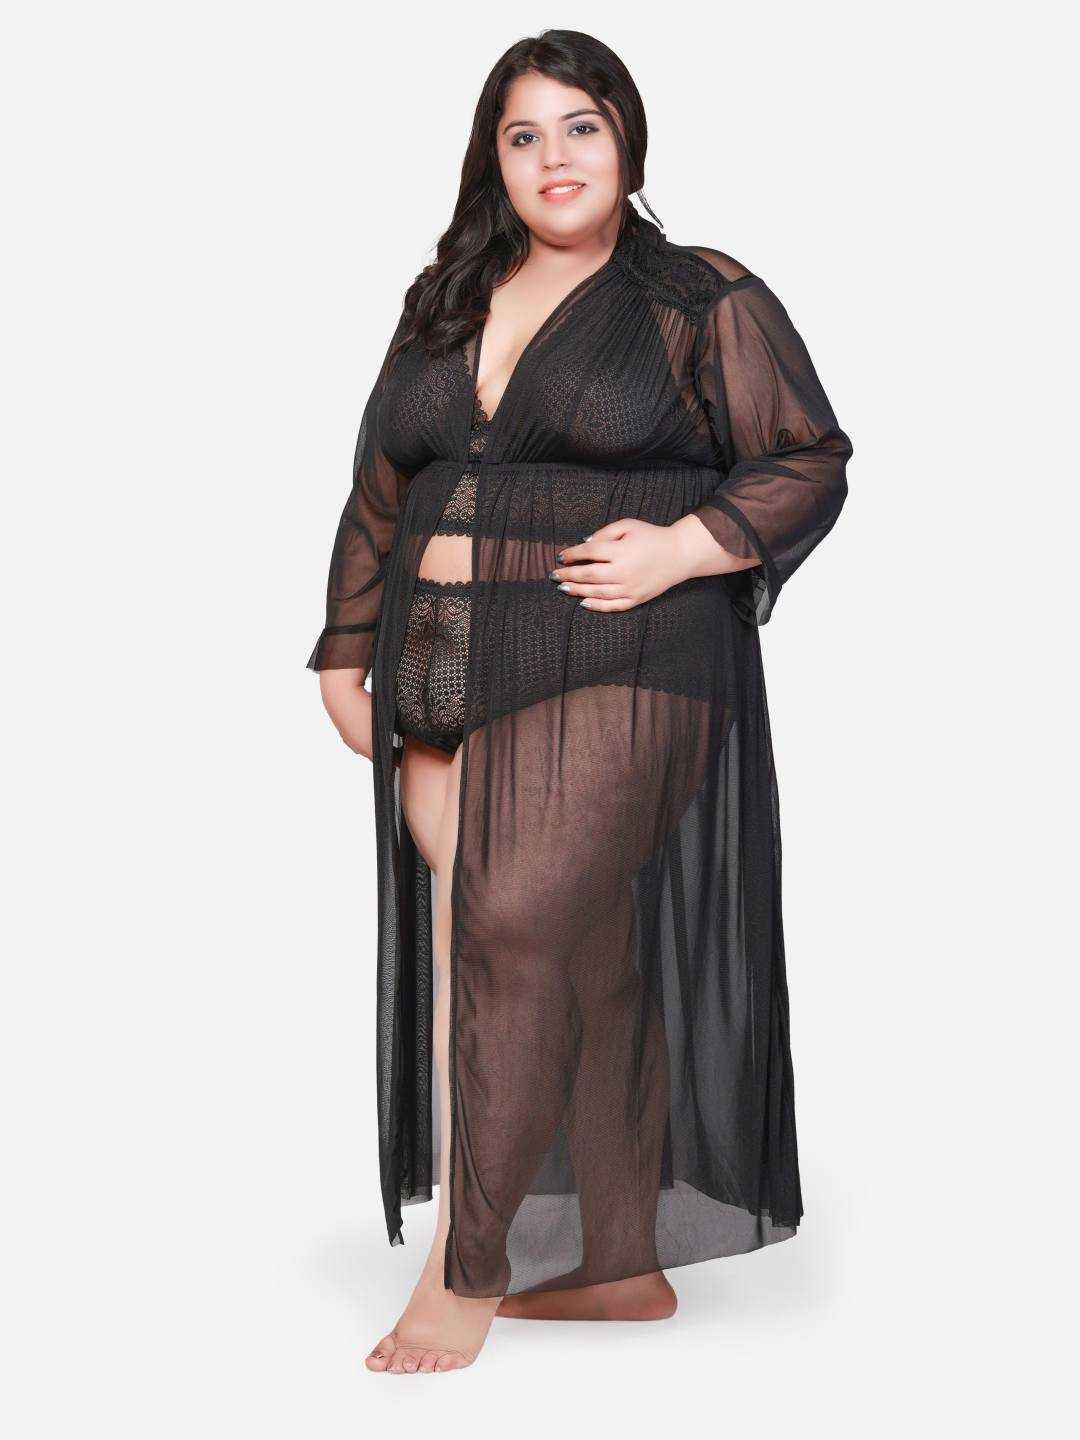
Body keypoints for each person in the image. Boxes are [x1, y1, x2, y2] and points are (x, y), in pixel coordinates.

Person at [308, 29, 852, 1374]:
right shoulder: (446, 298)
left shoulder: (696, 295)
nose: (555, 156)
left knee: (504, 930)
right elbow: (382, 483)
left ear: (627, 141)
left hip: (626, 656)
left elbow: (807, 456)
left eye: (582, 126)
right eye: (524, 134)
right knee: (570, 951)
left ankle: (467, 1267)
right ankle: (619, 1262)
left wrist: (687, 546)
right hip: (443, 665)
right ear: (492, 160)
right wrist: (342, 648)